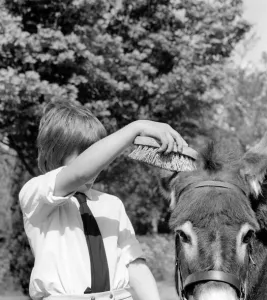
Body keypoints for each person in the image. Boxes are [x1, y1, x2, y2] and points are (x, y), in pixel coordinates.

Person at [19, 101, 188, 300]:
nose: (97, 164)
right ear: (56, 152)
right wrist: (137, 127)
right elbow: (79, 173)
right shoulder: (35, 194)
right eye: (87, 154)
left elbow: (134, 266)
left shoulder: (112, 204)